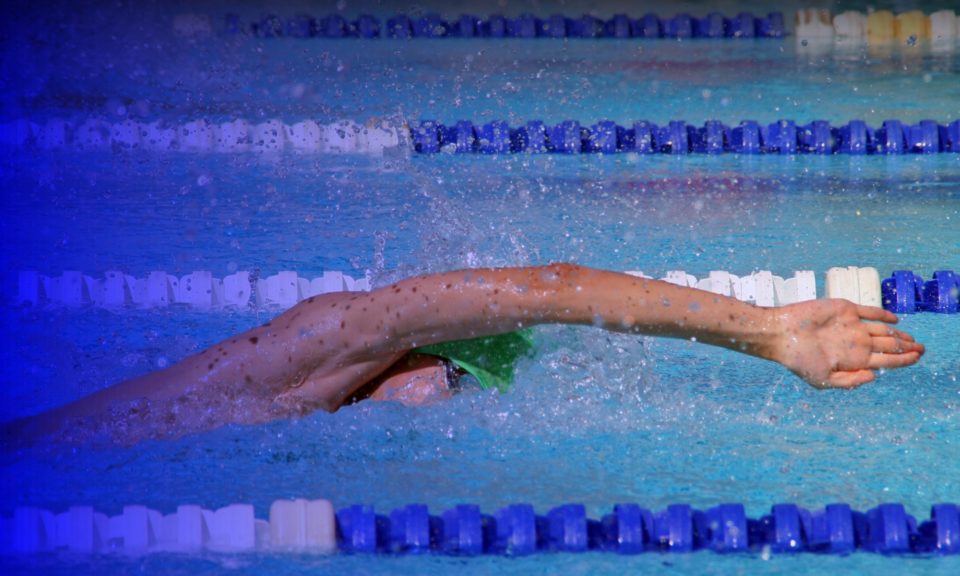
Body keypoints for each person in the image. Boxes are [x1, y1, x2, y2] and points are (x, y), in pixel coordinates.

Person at [4, 264, 924, 444]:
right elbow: (550, 289)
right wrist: (765, 330)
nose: (441, 398)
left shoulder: (308, 398)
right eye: (452, 377)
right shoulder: (316, 343)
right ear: (408, 355)